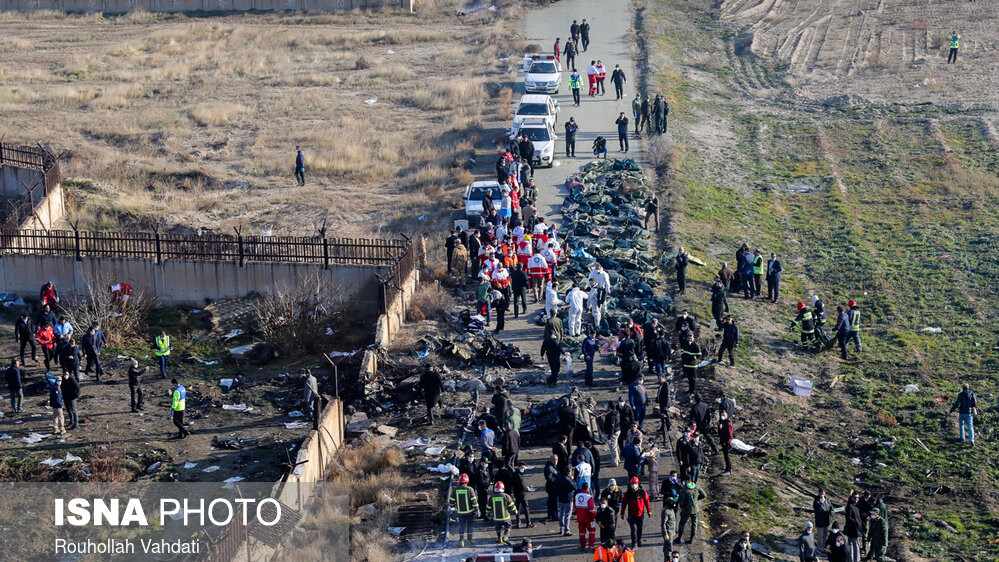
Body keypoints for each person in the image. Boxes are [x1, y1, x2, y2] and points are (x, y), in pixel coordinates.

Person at [620, 476, 651, 548]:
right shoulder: (628, 494)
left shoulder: (642, 492)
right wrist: (622, 513)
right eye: (632, 484)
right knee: (633, 529)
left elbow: (647, 502)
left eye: (635, 483)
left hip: (640, 514)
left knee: (639, 528)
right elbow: (624, 504)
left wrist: (649, 511)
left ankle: (639, 540)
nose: (634, 485)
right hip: (631, 515)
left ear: (638, 484)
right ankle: (634, 543)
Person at [451, 473, 480, 546]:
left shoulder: (455, 489)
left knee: (461, 526)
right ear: (467, 481)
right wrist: (477, 509)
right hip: (470, 512)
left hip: (460, 512)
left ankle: (461, 540)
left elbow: (451, 501)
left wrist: (453, 506)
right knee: (470, 526)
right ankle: (470, 540)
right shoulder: (470, 489)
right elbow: (474, 501)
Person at [676, 478, 706, 544]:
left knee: (682, 523)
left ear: (686, 481)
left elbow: (681, 502)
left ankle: (679, 538)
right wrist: (696, 499)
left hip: (686, 510)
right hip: (695, 509)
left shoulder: (684, 490)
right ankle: (692, 539)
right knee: (694, 524)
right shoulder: (697, 487)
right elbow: (704, 495)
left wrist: (683, 507)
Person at [554, 469, 577, 536]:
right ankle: (566, 530)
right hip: (568, 499)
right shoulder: (568, 480)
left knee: (561, 513)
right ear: (569, 473)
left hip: (561, 498)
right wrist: (572, 480)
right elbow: (575, 487)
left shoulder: (559, 478)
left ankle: (561, 528)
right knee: (567, 515)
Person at [574, 481, 597, 549]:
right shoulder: (589, 497)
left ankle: (582, 546)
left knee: (581, 532)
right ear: (588, 488)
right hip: (589, 518)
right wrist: (595, 516)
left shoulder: (577, 496)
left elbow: (575, 507)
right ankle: (591, 545)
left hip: (580, 518)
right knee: (592, 531)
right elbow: (591, 509)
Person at [511, 461, 533, 528]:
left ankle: (518, 522)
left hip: (516, 493)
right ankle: (528, 523)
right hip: (522, 494)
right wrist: (528, 488)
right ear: (518, 467)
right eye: (522, 467)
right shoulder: (519, 476)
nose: (523, 469)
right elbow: (523, 486)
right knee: (526, 508)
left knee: (517, 508)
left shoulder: (514, 474)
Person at [844, 491, 863, 562]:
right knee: (854, 545)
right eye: (855, 497)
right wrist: (856, 522)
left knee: (855, 544)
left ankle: (854, 559)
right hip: (852, 529)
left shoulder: (857, 506)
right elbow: (848, 517)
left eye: (857, 497)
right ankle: (855, 559)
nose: (856, 499)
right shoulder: (850, 506)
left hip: (856, 529)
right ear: (852, 498)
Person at [814, 488, 833, 554]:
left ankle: (824, 547)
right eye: (821, 492)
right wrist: (822, 503)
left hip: (826, 521)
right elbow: (818, 510)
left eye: (823, 492)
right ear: (819, 493)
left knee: (825, 536)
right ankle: (819, 549)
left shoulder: (827, 500)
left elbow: (831, 507)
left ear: (825, 494)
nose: (822, 494)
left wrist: (832, 511)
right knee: (820, 536)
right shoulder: (816, 501)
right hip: (819, 522)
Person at [603, 400, 622, 466]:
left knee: (612, 447)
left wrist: (610, 435)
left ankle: (614, 462)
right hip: (616, 430)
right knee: (614, 446)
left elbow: (612, 425)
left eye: (607, 405)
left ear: (610, 407)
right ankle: (617, 459)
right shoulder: (616, 412)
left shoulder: (612, 415)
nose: (606, 406)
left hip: (613, 432)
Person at [661, 492, 679, 559]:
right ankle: (667, 557)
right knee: (669, 545)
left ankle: (668, 556)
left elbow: (673, 521)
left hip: (672, 530)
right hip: (668, 531)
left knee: (669, 544)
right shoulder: (666, 511)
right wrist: (665, 534)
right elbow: (663, 524)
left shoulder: (671, 510)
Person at [718, 410, 734, 475]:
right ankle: (728, 469)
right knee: (725, 455)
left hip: (726, 441)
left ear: (727, 415)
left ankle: (728, 469)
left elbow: (730, 434)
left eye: (724, 415)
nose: (722, 416)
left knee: (726, 456)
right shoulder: (722, 422)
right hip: (723, 441)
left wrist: (726, 441)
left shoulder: (728, 423)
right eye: (721, 415)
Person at [544, 454, 559, 522]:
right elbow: (549, 478)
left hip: (551, 487)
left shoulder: (552, 466)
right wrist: (558, 481)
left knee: (551, 502)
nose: (556, 461)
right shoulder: (549, 468)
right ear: (551, 460)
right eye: (554, 460)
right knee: (554, 502)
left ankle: (550, 514)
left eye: (556, 460)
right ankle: (554, 516)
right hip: (552, 487)